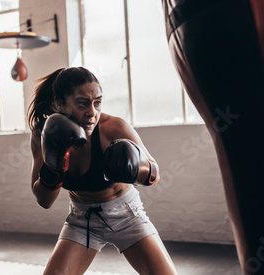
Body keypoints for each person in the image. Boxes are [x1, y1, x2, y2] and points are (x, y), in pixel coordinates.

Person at [27, 67, 177, 275]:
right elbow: (44, 200)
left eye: (97, 102)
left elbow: (154, 174)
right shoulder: (44, 135)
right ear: (59, 104)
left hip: (127, 215)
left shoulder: (113, 127)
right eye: (82, 103)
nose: (92, 112)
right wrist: (55, 163)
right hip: (82, 220)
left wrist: (136, 166)